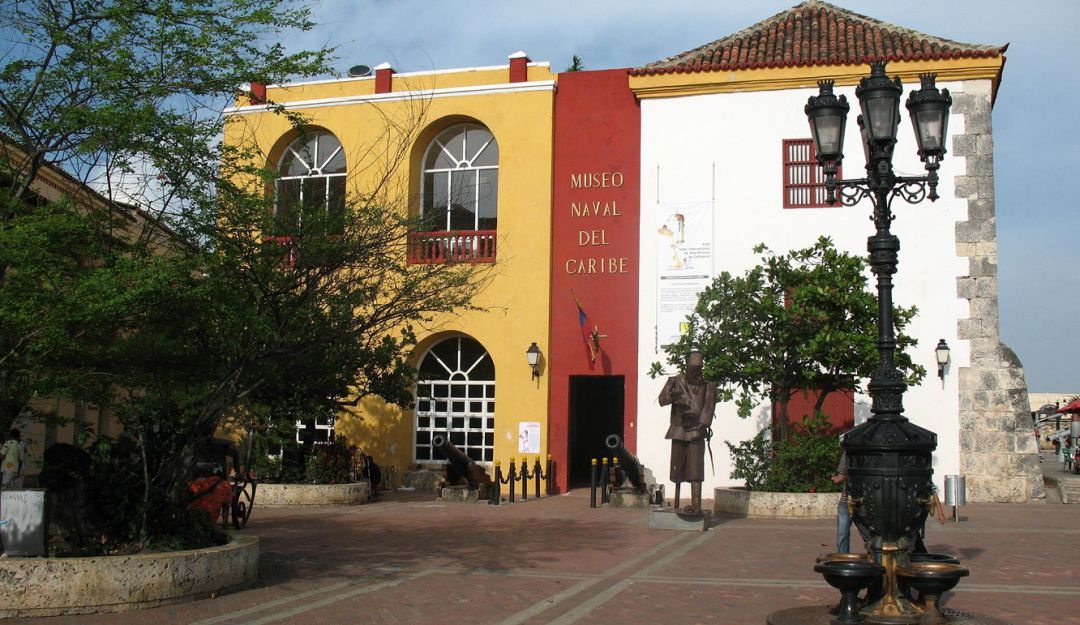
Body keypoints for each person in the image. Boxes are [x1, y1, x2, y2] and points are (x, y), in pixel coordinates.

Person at [658, 351, 716, 514]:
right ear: (687, 366)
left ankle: (696, 506)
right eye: (692, 368)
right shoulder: (675, 381)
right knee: (677, 468)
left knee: (695, 468)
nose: (695, 372)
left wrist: (701, 424)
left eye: (698, 369)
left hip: (696, 432)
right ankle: (676, 504)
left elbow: (708, 408)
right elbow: (662, 400)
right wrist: (674, 396)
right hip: (678, 430)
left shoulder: (708, 386)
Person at [831, 446, 852, 553]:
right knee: (842, 532)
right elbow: (842, 475)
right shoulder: (847, 454)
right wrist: (838, 478)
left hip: (852, 498)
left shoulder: (848, 452)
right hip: (847, 498)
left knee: (842, 532)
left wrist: (838, 478)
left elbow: (841, 476)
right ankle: (843, 556)